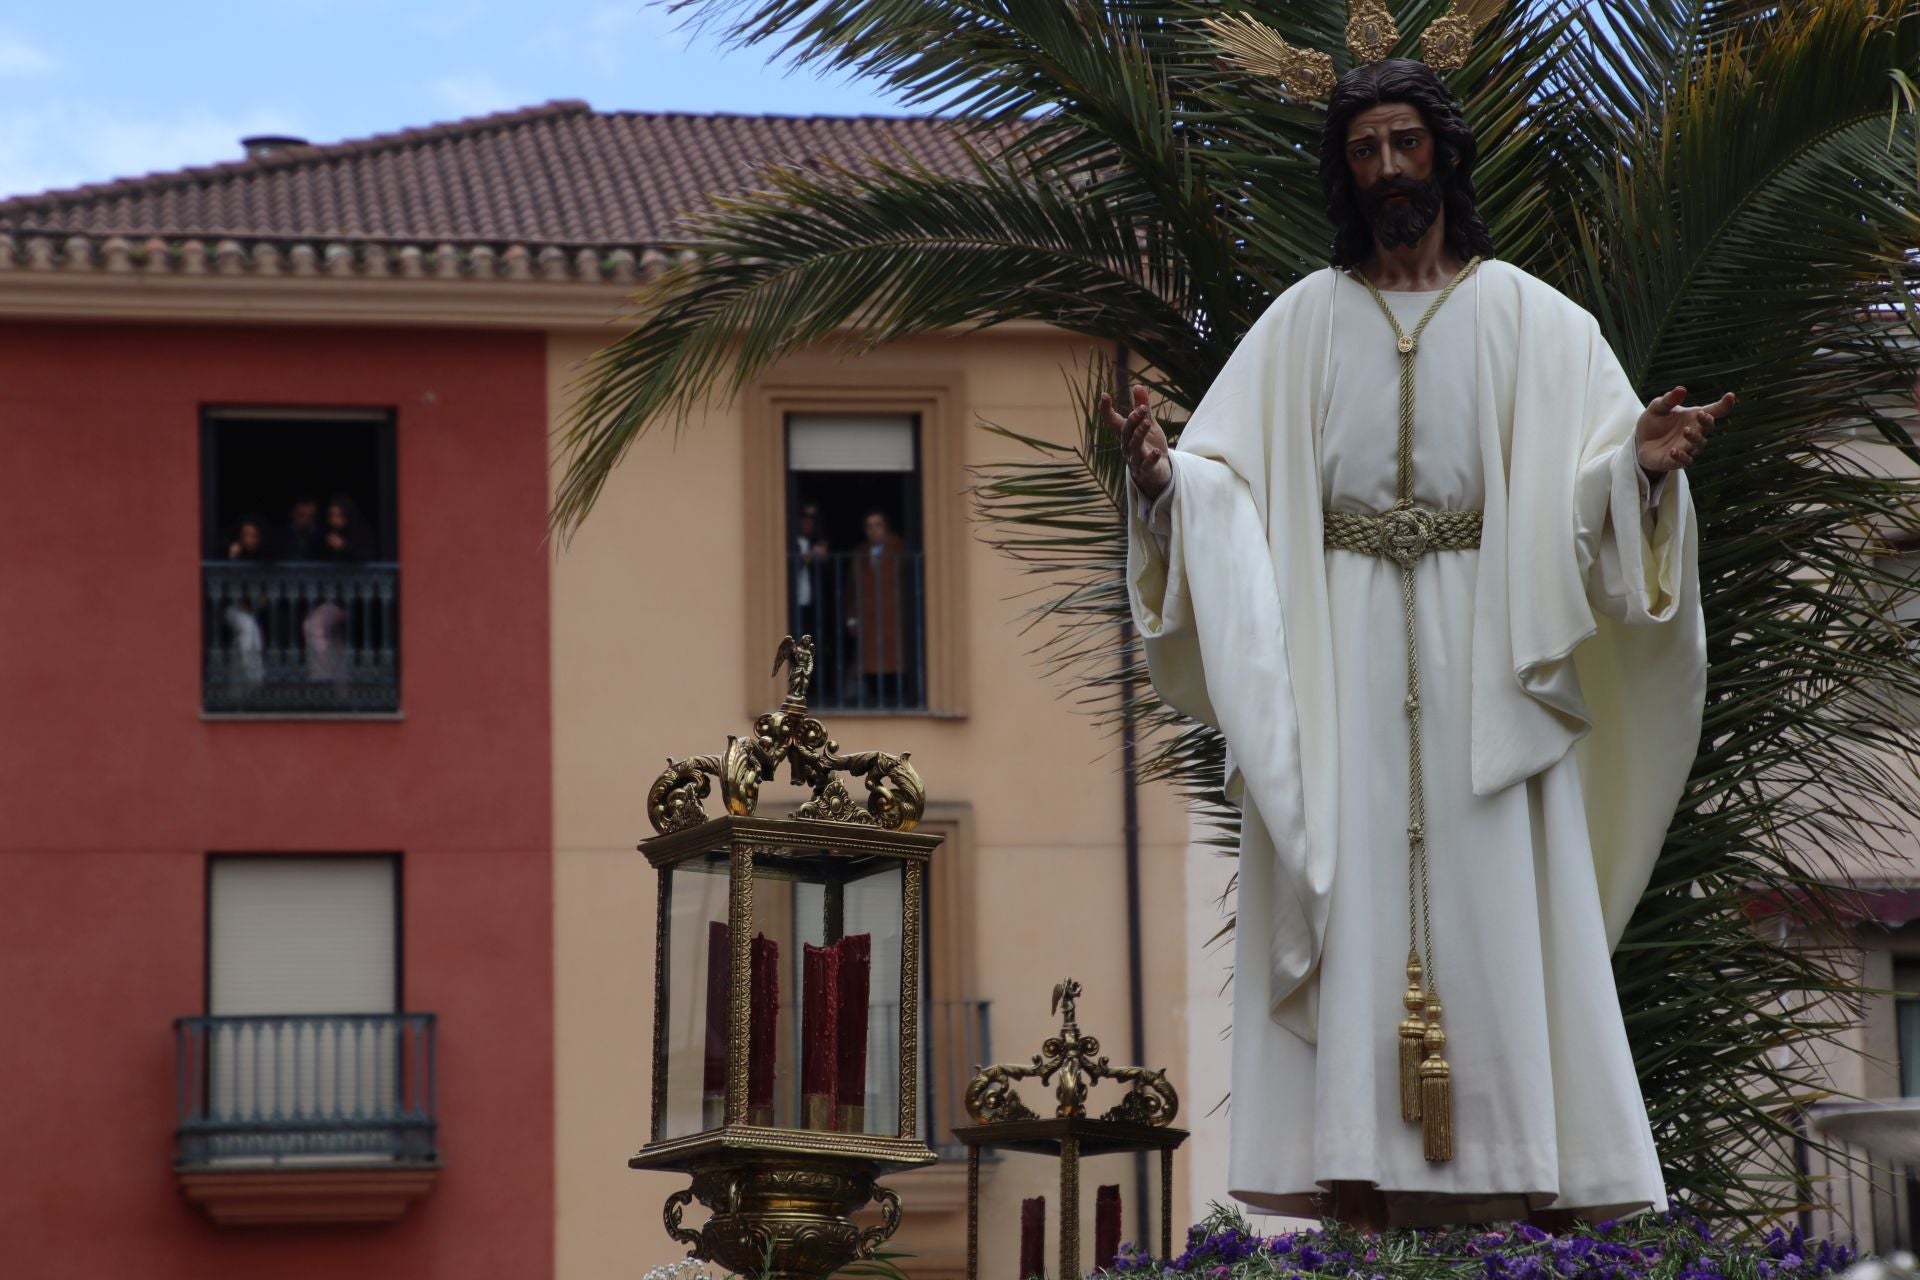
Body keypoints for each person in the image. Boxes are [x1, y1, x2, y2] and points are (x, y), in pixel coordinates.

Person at [1108, 54, 1727, 1231]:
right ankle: (1355, 1181)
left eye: (1405, 143)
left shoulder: (1535, 319)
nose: (1389, 168)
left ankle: (1514, 1184)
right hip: (1339, 668)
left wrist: (1639, 472)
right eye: (1364, 149)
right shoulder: (1301, 322)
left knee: (1500, 905)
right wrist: (1160, 480)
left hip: (1491, 665)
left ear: (1443, 151)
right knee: (1347, 903)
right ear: (1344, 173)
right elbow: (1224, 487)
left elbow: (1593, 489)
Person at [845, 509, 915, 707]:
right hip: (868, 621)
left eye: (878, 525)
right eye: (869, 527)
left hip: (894, 619)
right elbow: (850, 591)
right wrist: (851, 619)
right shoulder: (860, 553)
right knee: (870, 668)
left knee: (895, 665)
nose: (873, 531)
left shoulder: (899, 547)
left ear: (886, 527)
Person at [303, 494, 371, 684]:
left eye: (338, 515)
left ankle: (323, 676)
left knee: (312, 625)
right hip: (329, 598)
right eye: (331, 515)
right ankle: (341, 695)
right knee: (336, 643)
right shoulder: (326, 536)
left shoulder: (360, 533)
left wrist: (344, 547)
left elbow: (367, 558)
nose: (334, 520)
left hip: (349, 600)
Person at [789, 502, 836, 702]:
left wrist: (823, 560)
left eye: (812, 519)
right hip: (794, 606)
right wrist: (806, 559)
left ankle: (818, 691)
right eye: (805, 517)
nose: (808, 522)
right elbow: (789, 568)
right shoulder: (791, 542)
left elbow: (831, 579)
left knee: (815, 648)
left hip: (814, 606)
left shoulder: (820, 544)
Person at [221, 517, 269, 688]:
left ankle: (248, 687)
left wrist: (258, 603)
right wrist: (232, 559)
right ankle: (255, 678)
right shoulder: (233, 554)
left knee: (253, 633)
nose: (250, 539)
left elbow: (265, 594)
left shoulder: (263, 558)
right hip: (232, 609)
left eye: (253, 535)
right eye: (246, 535)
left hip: (252, 611)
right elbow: (225, 586)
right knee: (248, 627)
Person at [279, 495, 323, 561]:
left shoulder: (321, 536)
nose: (306, 520)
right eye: (301, 515)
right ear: (293, 513)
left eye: (310, 516)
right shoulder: (280, 536)